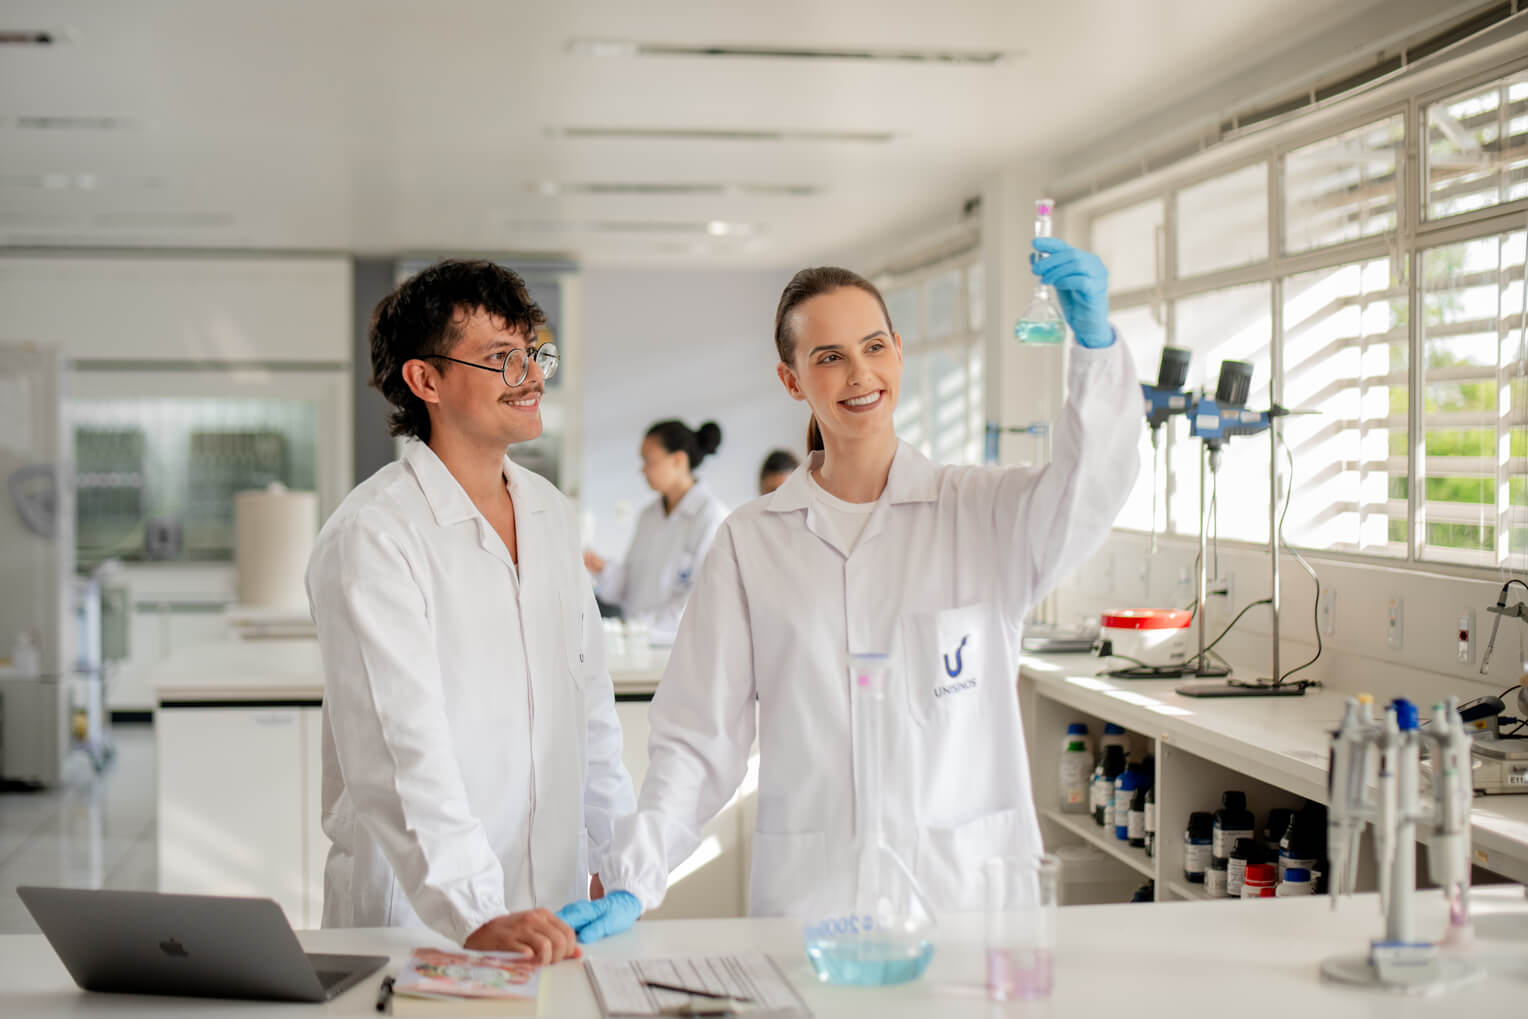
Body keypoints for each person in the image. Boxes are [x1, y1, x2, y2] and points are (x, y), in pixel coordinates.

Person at [556, 236, 1141, 940]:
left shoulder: (984, 514)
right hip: (815, 905)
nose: (858, 372)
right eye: (828, 356)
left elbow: (1091, 490)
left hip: (964, 904)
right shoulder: (752, 540)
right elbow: (698, 741)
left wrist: (1097, 349)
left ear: (897, 350)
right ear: (792, 379)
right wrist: (633, 876)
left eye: (872, 346)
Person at [306, 259, 634, 963]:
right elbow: (399, 750)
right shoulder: (374, 535)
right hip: (420, 917)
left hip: (550, 909)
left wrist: (616, 854)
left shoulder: (549, 512)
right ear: (426, 380)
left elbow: (591, 712)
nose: (530, 374)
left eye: (532, 353)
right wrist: (474, 909)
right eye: (499, 358)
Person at [583, 420, 728, 644]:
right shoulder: (649, 515)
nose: (642, 470)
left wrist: (638, 629)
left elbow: (698, 601)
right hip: (639, 644)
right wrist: (601, 568)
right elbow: (630, 587)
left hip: (680, 646)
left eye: (648, 460)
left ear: (678, 460)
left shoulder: (710, 517)